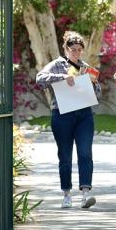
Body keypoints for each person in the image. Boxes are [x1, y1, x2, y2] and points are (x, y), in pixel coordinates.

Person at [35, 30, 101, 209]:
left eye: (79, 49)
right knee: (65, 155)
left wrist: (93, 84)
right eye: (73, 49)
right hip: (62, 114)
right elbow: (40, 79)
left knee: (85, 153)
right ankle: (66, 193)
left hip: (84, 115)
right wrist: (63, 77)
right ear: (65, 48)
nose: (76, 53)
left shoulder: (85, 67)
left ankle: (86, 193)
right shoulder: (56, 65)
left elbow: (98, 93)